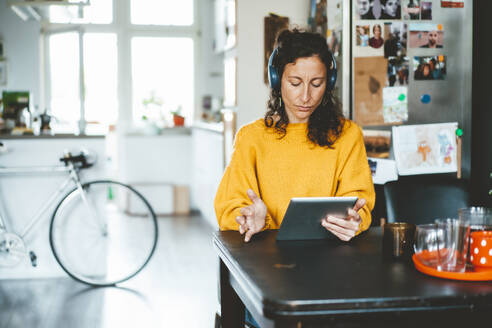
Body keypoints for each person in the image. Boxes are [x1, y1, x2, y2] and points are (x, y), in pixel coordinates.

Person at [214, 28, 375, 244]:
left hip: (331, 255)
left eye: (317, 84)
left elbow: (360, 201)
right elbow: (230, 204)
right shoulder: (251, 137)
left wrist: (355, 220)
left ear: (329, 83)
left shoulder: (348, 135)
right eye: (295, 83)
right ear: (277, 80)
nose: (306, 96)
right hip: (266, 258)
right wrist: (250, 218)